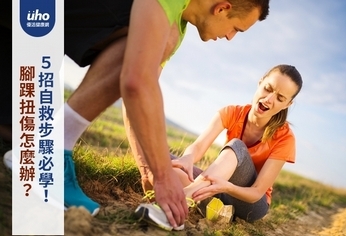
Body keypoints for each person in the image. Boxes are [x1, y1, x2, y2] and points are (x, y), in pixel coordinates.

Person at [64, 0, 271, 228]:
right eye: (236, 29)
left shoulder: (177, 25)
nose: (231, 37)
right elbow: (138, 84)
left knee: (145, 47)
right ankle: (53, 148)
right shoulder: (170, 19)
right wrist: (162, 176)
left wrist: (149, 171)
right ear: (222, 8)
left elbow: (139, 90)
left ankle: (51, 143)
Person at [135, 64, 303, 228]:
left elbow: (256, 193)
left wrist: (227, 187)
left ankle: (178, 205)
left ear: (287, 104)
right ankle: (215, 208)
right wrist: (188, 158)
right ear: (260, 82)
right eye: (268, 88)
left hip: (250, 204)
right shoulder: (231, 112)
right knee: (163, 161)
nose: (269, 99)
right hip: (217, 188)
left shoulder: (286, 138)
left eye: (280, 98)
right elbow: (199, 146)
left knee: (237, 146)